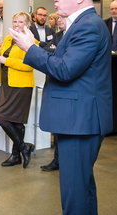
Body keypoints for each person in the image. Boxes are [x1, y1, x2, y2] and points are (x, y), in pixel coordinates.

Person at [10, 0, 112, 215]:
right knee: (80, 186)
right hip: (76, 119)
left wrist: (30, 48)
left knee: (75, 190)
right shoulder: (81, 24)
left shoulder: (88, 26)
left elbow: (65, 69)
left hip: (81, 121)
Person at [0, 12, 35, 168]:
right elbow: (2, 53)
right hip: (7, 83)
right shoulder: (9, 38)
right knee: (10, 120)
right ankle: (19, 152)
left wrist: (6, 60)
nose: (17, 24)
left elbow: (29, 64)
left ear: (28, 24)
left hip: (21, 85)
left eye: (21, 21)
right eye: (15, 21)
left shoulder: (31, 42)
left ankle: (21, 150)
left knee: (6, 118)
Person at [40, 15, 67, 172]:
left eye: (64, 18)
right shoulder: (57, 35)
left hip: (68, 86)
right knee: (57, 126)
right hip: (55, 84)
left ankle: (65, 161)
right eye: (59, 18)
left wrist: (54, 52)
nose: (60, 21)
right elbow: (46, 51)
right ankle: (57, 160)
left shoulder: (74, 35)